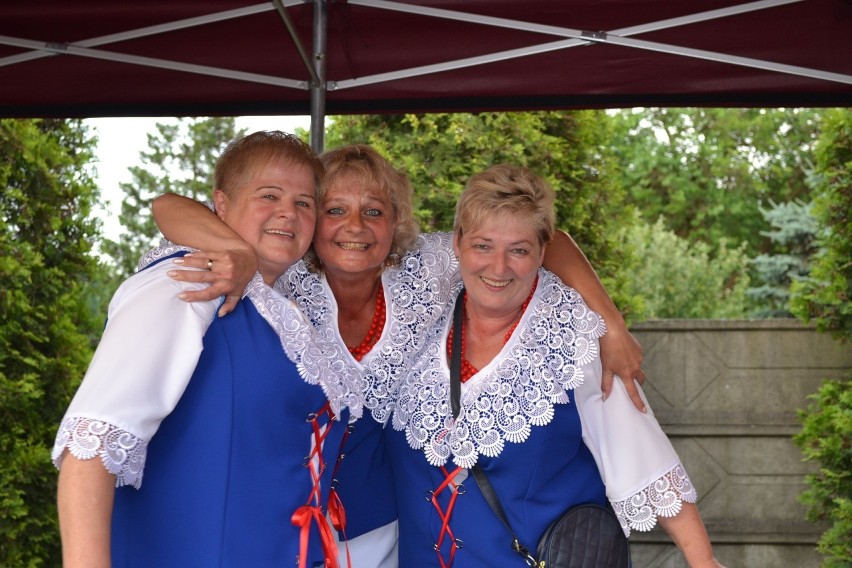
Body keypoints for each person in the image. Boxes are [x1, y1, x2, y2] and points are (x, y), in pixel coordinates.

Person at [149, 145, 649, 566]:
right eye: (335, 210)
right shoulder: (279, 271)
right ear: (311, 219)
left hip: (383, 536)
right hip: (281, 523)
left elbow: (541, 238)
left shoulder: (427, 270)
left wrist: (609, 322)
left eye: (374, 211)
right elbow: (168, 207)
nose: (355, 227)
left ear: (395, 223)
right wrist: (231, 250)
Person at [383, 164, 725, 567]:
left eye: (519, 250)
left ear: (542, 253)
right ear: (457, 244)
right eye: (483, 246)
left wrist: (703, 562)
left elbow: (643, 458)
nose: (498, 267)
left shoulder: (571, 337)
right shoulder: (422, 312)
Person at [52, 131, 363, 568]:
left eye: (303, 203)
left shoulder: (286, 311)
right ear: (221, 204)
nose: (287, 214)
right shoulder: (187, 282)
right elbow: (91, 445)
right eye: (268, 195)